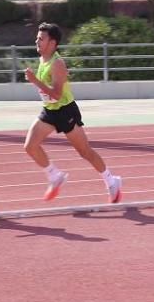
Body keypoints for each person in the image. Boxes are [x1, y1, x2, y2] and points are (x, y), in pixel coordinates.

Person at [23, 23, 123, 203]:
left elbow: (57, 94)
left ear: (52, 43)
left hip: (65, 111)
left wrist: (35, 81)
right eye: (37, 37)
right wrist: (36, 82)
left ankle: (111, 180)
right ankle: (54, 176)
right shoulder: (42, 59)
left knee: (84, 151)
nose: (36, 40)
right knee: (30, 146)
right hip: (50, 111)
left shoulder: (57, 63)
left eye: (41, 38)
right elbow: (50, 97)